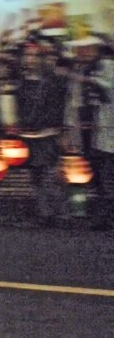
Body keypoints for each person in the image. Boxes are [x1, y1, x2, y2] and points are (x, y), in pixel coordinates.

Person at [64, 36, 114, 229]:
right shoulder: (78, 71)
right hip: (86, 132)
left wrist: (87, 80)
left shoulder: (107, 67)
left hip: (107, 131)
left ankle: (106, 215)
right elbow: (72, 103)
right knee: (95, 176)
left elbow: (108, 89)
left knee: (107, 174)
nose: (83, 53)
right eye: (80, 49)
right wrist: (70, 129)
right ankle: (103, 215)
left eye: (88, 49)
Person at [16, 41, 65, 225]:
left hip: (48, 133)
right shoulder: (22, 82)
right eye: (28, 55)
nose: (31, 59)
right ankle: (44, 212)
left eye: (35, 56)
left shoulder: (53, 81)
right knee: (35, 175)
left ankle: (58, 212)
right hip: (29, 134)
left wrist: (61, 130)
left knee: (50, 173)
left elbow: (59, 107)